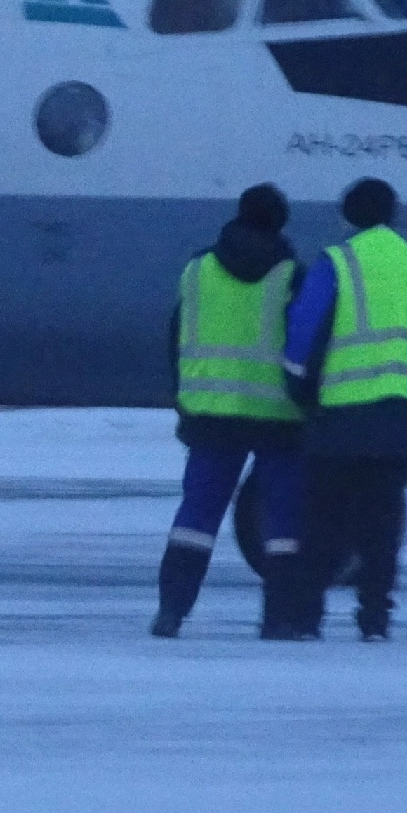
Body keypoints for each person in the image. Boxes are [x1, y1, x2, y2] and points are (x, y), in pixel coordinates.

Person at [276, 177, 407, 639]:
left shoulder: (337, 263)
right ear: (394, 214)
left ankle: (306, 618)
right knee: (382, 526)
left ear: (346, 214)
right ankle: (375, 619)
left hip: (342, 415)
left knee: (324, 521)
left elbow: (303, 335)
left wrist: (298, 388)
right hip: (403, 415)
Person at [151, 184, 305, 638]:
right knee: (282, 522)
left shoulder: (197, 270)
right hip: (278, 416)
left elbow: (177, 335)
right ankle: (280, 619)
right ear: (281, 222)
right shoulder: (292, 275)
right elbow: (303, 343)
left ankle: (171, 610)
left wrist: (183, 397)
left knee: (196, 515)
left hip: (210, 412)